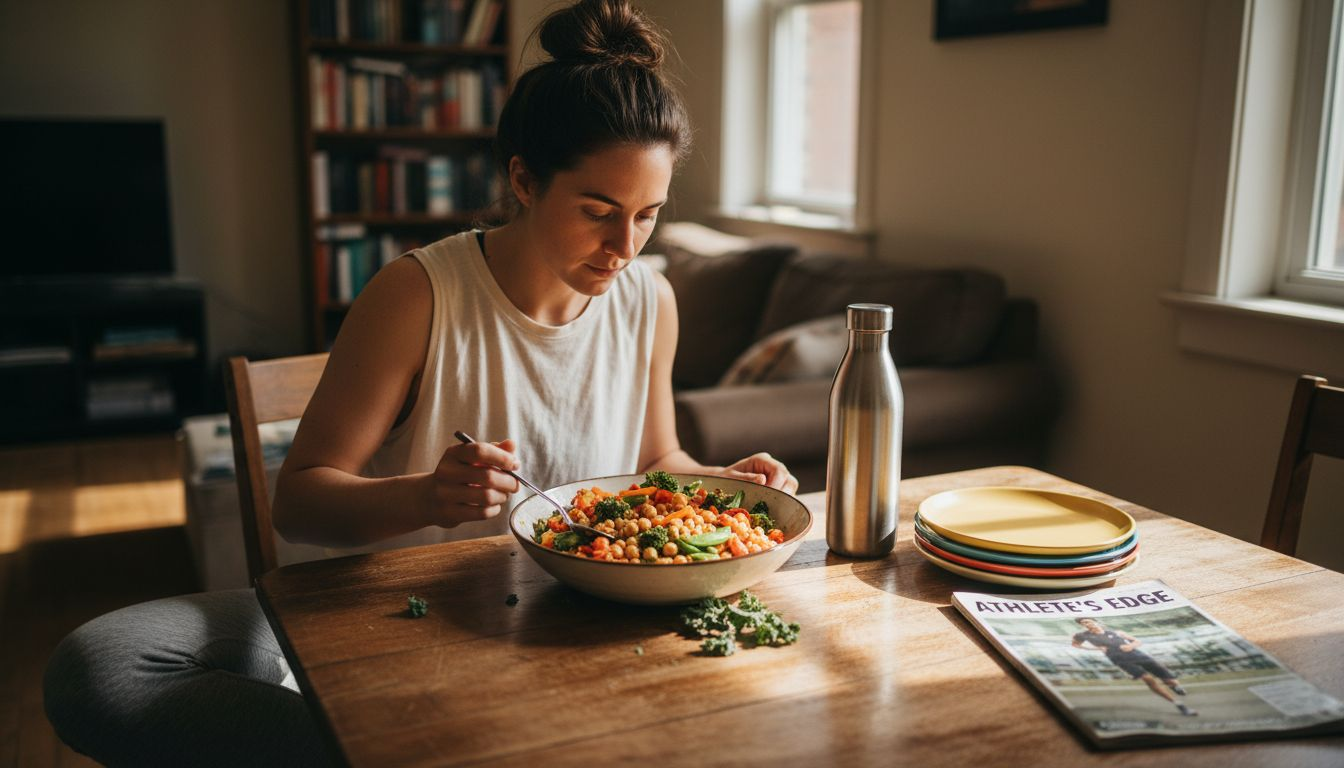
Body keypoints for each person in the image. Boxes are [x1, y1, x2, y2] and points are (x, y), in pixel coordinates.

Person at [43, 2, 797, 765]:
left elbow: (657, 458)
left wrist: (717, 489)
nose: (623, 248)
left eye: (648, 216)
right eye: (599, 212)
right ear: (524, 180)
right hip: (397, 613)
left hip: (571, 617)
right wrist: (425, 496)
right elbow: (299, 503)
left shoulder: (649, 300)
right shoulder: (418, 294)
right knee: (102, 667)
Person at [1072, 617, 1197, 717]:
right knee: (1148, 679)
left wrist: (1130, 646)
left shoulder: (1116, 632)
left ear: (1095, 621)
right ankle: (1179, 705)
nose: (1086, 624)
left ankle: (1175, 686)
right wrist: (1096, 648)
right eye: (1083, 623)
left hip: (1138, 655)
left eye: (1088, 621)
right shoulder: (1083, 635)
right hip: (1120, 660)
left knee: (1170, 680)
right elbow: (1075, 645)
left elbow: (1137, 641)